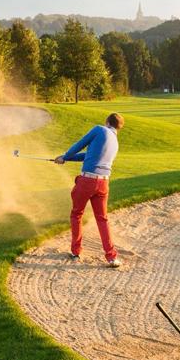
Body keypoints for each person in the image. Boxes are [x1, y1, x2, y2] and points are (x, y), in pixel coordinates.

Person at [55, 113, 124, 267]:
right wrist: (66, 158)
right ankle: (112, 257)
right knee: (102, 218)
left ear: (107, 121)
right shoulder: (115, 142)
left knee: (76, 214)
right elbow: (88, 155)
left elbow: (80, 145)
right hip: (103, 183)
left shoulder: (99, 129)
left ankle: (76, 251)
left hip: (87, 181)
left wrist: (65, 156)